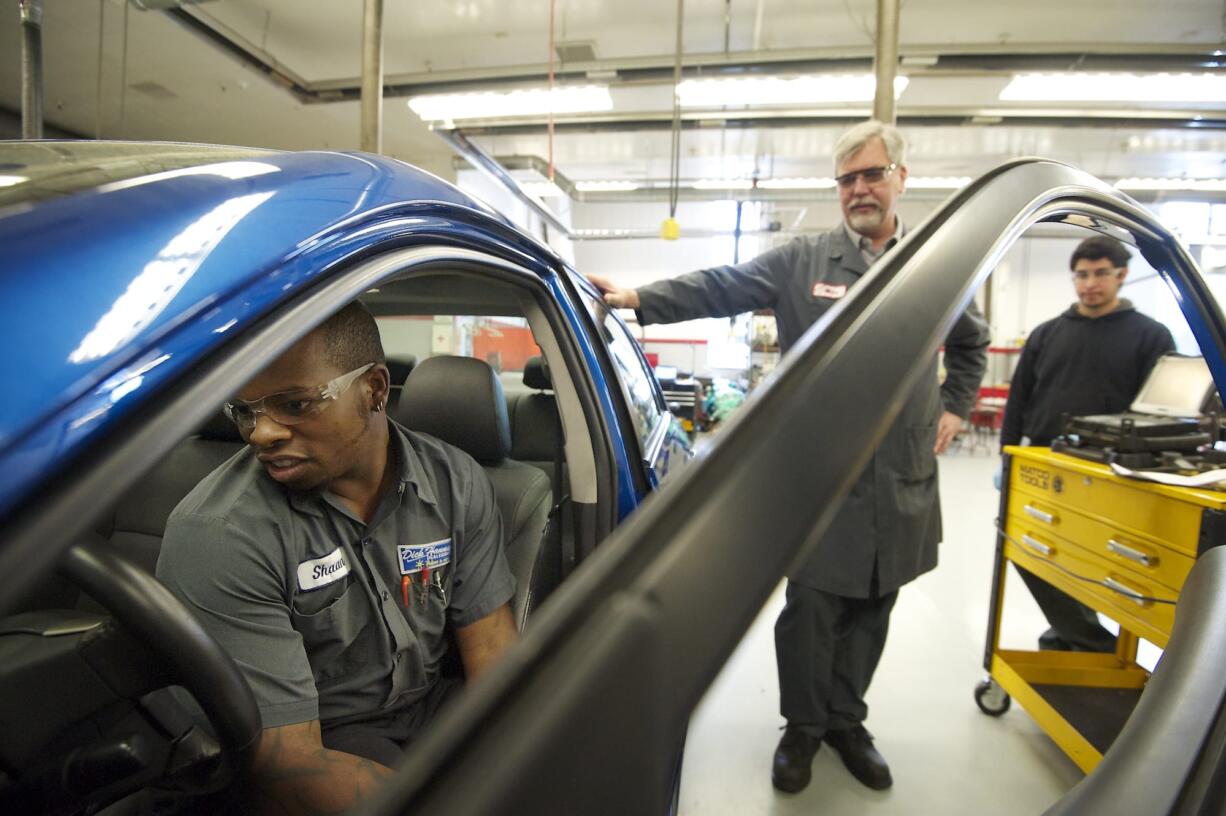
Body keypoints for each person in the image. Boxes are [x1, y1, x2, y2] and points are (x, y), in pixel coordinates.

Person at [589, 120, 989, 794]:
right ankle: (802, 729)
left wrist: (955, 404)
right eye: (846, 180)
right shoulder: (803, 261)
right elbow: (724, 285)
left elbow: (972, 341)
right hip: (823, 471)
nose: (859, 189)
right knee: (812, 608)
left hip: (902, 469)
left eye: (871, 174)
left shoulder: (935, 261)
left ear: (900, 179)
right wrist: (639, 298)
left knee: (875, 602)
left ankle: (846, 721)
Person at [157, 302, 518, 814]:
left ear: (373, 389)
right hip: (326, 739)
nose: (262, 433)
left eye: (295, 405)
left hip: (431, 711)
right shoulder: (219, 532)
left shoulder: (455, 483)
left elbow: (494, 658)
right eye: (245, 411)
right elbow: (289, 767)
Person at [1000, 236, 1175, 652]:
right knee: (1031, 553)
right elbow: (1019, 397)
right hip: (1045, 462)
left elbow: (1160, 411)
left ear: (1122, 276)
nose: (1089, 284)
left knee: (1097, 560)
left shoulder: (1150, 336)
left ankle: (1074, 636)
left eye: (1100, 274)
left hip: (1112, 472)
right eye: (1082, 275)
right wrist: (1006, 456)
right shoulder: (1047, 334)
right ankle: (1087, 639)